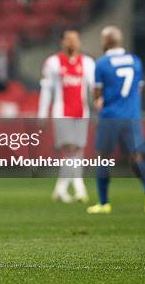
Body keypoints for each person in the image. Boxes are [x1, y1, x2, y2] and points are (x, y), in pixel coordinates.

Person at [87, 26, 145, 214]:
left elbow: (97, 96)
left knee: (103, 159)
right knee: (136, 157)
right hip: (132, 116)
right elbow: (139, 89)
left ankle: (104, 203)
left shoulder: (102, 64)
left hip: (110, 117)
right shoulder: (135, 61)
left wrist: (100, 101)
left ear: (106, 41)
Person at [38, 30, 94, 203]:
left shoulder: (87, 62)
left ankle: (60, 189)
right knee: (71, 149)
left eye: (75, 39)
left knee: (77, 150)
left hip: (81, 111)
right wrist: (42, 113)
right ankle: (79, 188)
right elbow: (47, 89)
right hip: (62, 111)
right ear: (62, 42)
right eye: (68, 39)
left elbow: (93, 87)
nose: (72, 43)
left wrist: (101, 103)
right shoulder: (53, 62)